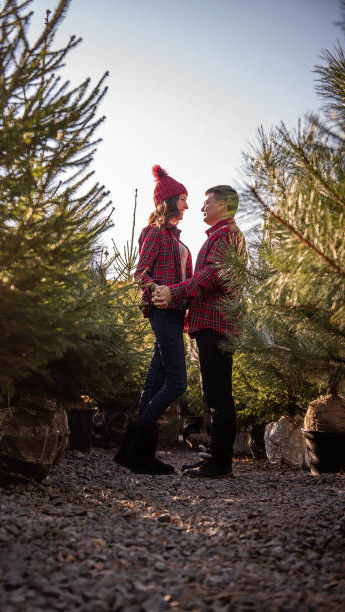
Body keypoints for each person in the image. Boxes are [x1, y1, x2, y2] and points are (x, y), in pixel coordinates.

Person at [153, 185, 246, 478]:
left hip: (217, 325)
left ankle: (221, 463)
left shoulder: (227, 235)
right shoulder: (220, 235)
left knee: (218, 393)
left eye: (207, 202)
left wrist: (174, 292)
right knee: (214, 392)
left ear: (225, 206)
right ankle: (217, 457)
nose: (202, 208)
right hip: (209, 323)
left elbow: (210, 276)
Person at [114, 165, 192, 475]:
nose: (186, 205)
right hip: (163, 313)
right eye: (183, 199)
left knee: (153, 385)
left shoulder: (173, 236)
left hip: (175, 314)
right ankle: (135, 451)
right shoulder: (155, 232)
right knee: (176, 383)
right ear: (171, 200)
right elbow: (140, 274)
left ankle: (137, 456)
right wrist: (157, 288)